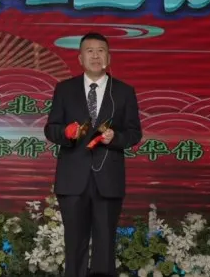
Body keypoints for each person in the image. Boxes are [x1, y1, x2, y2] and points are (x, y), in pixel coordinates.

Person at [43, 32, 143, 277]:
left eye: (101, 51)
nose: (95, 56)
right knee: (74, 244)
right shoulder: (65, 89)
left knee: (105, 246)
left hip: (108, 180)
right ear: (80, 58)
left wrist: (115, 138)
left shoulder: (124, 91)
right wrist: (66, 133)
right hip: (73, 179)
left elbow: (134, 133)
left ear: (108, 57)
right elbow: (51, 128)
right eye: (90, 51)